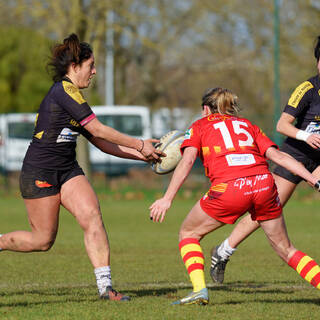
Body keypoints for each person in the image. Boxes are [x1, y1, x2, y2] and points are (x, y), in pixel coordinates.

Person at [0, 33, 163, 301]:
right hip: (40, 171)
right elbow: (99, 128)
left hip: (67, 170)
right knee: (43, 241)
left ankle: (105, 288)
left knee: (92, 215)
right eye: (91, 65)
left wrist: (142, 155)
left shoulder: (74, 95)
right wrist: (139, 143)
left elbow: (99, 141)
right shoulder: (63, 91)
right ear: (75, 67)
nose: (95, 71)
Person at [149, 87, 320, 306]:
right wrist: (313, 179)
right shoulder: (248, 125)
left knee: (188, 233)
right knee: (287, 250)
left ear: (205, 109)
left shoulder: (199, 125)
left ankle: (199, 290)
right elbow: (278, 156)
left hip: (229, 189)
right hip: (264, 185)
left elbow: (188, 160)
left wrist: (167, 198)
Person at [210, 35, 320, 285]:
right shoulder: (307, 89)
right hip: (296, 155)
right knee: (269, 209)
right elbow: (282, 125)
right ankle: (223, 250)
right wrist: (306, 135)